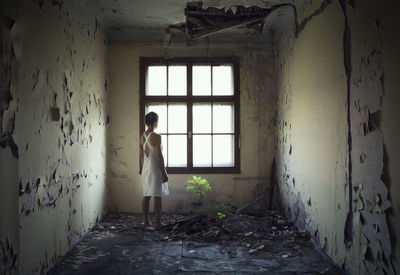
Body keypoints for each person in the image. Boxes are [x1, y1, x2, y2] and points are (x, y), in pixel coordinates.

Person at [140, 111, 169, 229]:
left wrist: (143, 169)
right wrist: (164, 172)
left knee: (146, 195)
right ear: (155, 122)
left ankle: (146, 222)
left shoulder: (142, 136)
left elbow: (142, 156)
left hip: (146, 169)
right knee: (157, 195)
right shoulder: (156, 136)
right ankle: (158, 223)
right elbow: (159, 156)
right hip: (155, 169)